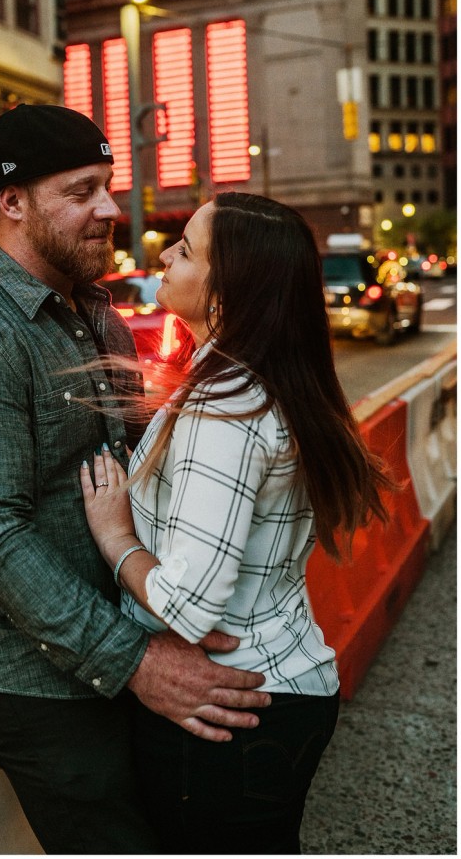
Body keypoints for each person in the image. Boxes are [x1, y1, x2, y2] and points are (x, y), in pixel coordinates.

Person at [0, 106, 270, 855]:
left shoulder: (93, 315)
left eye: (107, 185)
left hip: (116, 626)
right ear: (12, 203)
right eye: (80, 191)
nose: (108, 209)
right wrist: (133, 661)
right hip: (31, 673)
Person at [80, 192, 393, 855]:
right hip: (276, 690)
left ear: (227, 294)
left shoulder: (225, 407)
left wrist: (114, 537)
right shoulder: (260, 381)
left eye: (186, 250)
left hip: (233, 710)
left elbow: (189, 606)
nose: (164, 254)